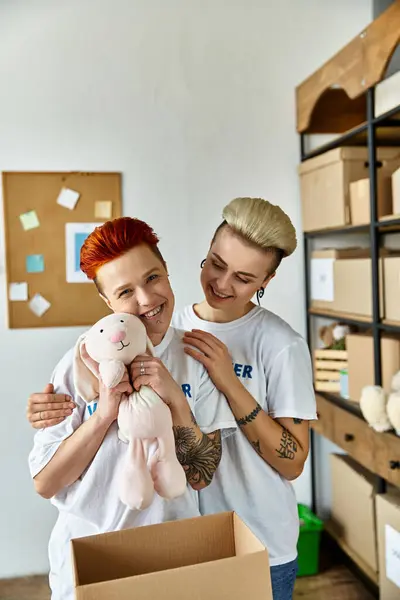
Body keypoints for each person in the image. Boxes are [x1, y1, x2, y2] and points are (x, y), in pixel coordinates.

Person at [27, 198, 316, 600]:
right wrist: (85, 410)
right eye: (216, 264)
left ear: (265, 281)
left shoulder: (256, 348)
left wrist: (223, 384)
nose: (222, 284)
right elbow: (45, 478)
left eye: (244, 277)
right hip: (99, 556)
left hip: (234, 540)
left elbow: (279, 463)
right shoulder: (92, 354)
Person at [27, 217, 236, 600]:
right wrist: (104, 412)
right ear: (107, 303)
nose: (146, 300)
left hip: (172, 559)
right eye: (125, 291)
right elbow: (46, 483)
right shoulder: (81, 362)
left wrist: (175, 398)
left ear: (168, 273)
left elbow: (202, 475)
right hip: (88, 564)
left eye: (153, 278)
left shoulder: (195, 356)